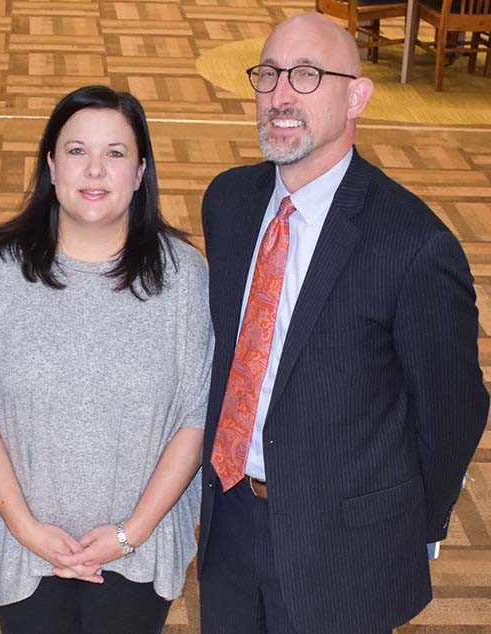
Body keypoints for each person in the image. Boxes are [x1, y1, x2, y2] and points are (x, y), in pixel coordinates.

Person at [198, 13, 488, 634]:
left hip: (344, 554)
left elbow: (453, 409)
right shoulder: (227, 201)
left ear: (357, 96)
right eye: (269, 74)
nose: (279, 95)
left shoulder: (413, 245)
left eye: (306, 76)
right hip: (228, 527)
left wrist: (403, 524)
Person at [0, 85, 214, 634]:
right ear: (51, 165)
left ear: (141, 171)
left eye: (115, 153)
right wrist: (26, 528)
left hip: (137, 549)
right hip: (25, 545)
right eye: (76, 151)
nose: (94, 170)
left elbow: (197, 416)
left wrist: (130, 533)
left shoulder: (184, 277)